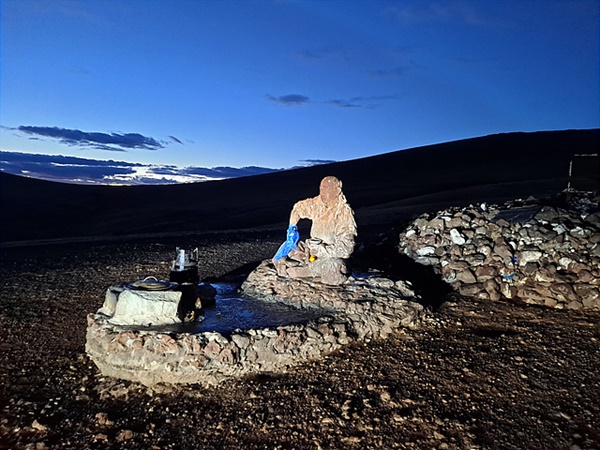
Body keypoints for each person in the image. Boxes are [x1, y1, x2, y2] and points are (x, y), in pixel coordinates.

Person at [273, 176, 357, 285]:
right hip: (310, 251)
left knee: (336, 266)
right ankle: (299, 268)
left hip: (328, 256)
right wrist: (292, 228)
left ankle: (303, 271)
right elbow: (297, 209)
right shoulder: (317, 204)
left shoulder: (344, 212)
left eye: (327, 189)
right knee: (290, 248)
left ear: (337, 190)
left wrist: (321, 249)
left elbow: (347, 248)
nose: (323, 193)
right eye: (321, 189)